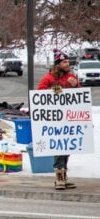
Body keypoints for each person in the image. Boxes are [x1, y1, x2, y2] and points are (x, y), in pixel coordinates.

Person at [37, 49, 78, 190]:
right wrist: (59, 90)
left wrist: (75, 86)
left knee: (67, 147)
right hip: (55, 119)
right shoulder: (48, 78)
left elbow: (80, 96)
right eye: (65, 62)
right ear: (58, 64)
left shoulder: (71, 77)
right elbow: (40, 93)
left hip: (69, 117)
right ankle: (58, 175)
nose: (68, 64)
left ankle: (64, 175)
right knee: (59, 147)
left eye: (68, 61)